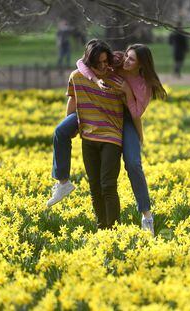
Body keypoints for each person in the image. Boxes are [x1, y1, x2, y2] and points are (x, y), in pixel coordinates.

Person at [47, 41, 167, 235]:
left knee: (133, 164)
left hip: (125, 117)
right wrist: (95, 81)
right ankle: (63, 182)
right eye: (127, 56)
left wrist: (127, 92)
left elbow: (136, 113)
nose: (126, 61)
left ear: (141, 64)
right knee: (61, 131)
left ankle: (146, 216)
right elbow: (81, 63)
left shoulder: (144, 86)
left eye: (132, 59)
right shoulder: (115, 61)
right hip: (95, 109)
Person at [64, 40, 129, 229]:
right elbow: (73, 102)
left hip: (111, 137)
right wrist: (70, 126)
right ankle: (102, 228)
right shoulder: (76, 77)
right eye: (98, 63)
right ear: (89, 62)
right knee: (94, 187)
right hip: (88, 138)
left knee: (108, 184)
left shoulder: (116, 80)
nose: (102, 66)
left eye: (105, 61)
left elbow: (132, 105)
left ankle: (115, 229)